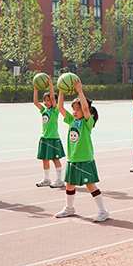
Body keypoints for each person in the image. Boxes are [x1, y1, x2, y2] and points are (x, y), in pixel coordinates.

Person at [54, 79, 108, 222]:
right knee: (70, 185)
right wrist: (61, 90)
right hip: (73, 158)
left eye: (78, 109)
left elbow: (85, 109)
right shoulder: (71, 120)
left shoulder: (86, 122)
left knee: (90, 184)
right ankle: (69, 208)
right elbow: (60, 108)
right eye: (74, 109)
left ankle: (103, 211)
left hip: (85, 158)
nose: (76, 112)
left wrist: (80, 91)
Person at [33, 78, 66, 188]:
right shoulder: (44, 110)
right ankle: (46, 179)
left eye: (48, 100)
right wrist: (36, 90)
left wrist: (51, 86)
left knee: (55, 159)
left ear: (54, 101)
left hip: (53, 138)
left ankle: (59, 180)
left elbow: (53, 98)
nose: (46, 102)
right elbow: (35, 102)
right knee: (44, 160)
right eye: (45, 100)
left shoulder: (55, 110)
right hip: (44, 137)